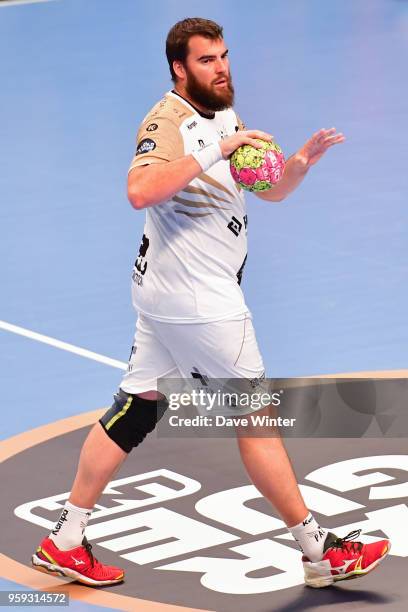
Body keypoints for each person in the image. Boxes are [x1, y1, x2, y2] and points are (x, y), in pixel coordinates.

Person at [31, 17, 390, 589]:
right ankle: (318, 549)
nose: (221, 68)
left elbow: (263, 190)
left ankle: (66, 537)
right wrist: (217, 149)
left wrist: (296, 164)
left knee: (139, 404)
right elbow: (139, 191)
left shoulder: (224, 111)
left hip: (165, 291)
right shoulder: (166, 122)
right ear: (179, 68)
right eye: (207, 60)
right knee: (256, 419)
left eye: (224, 56)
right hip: (200, 301)